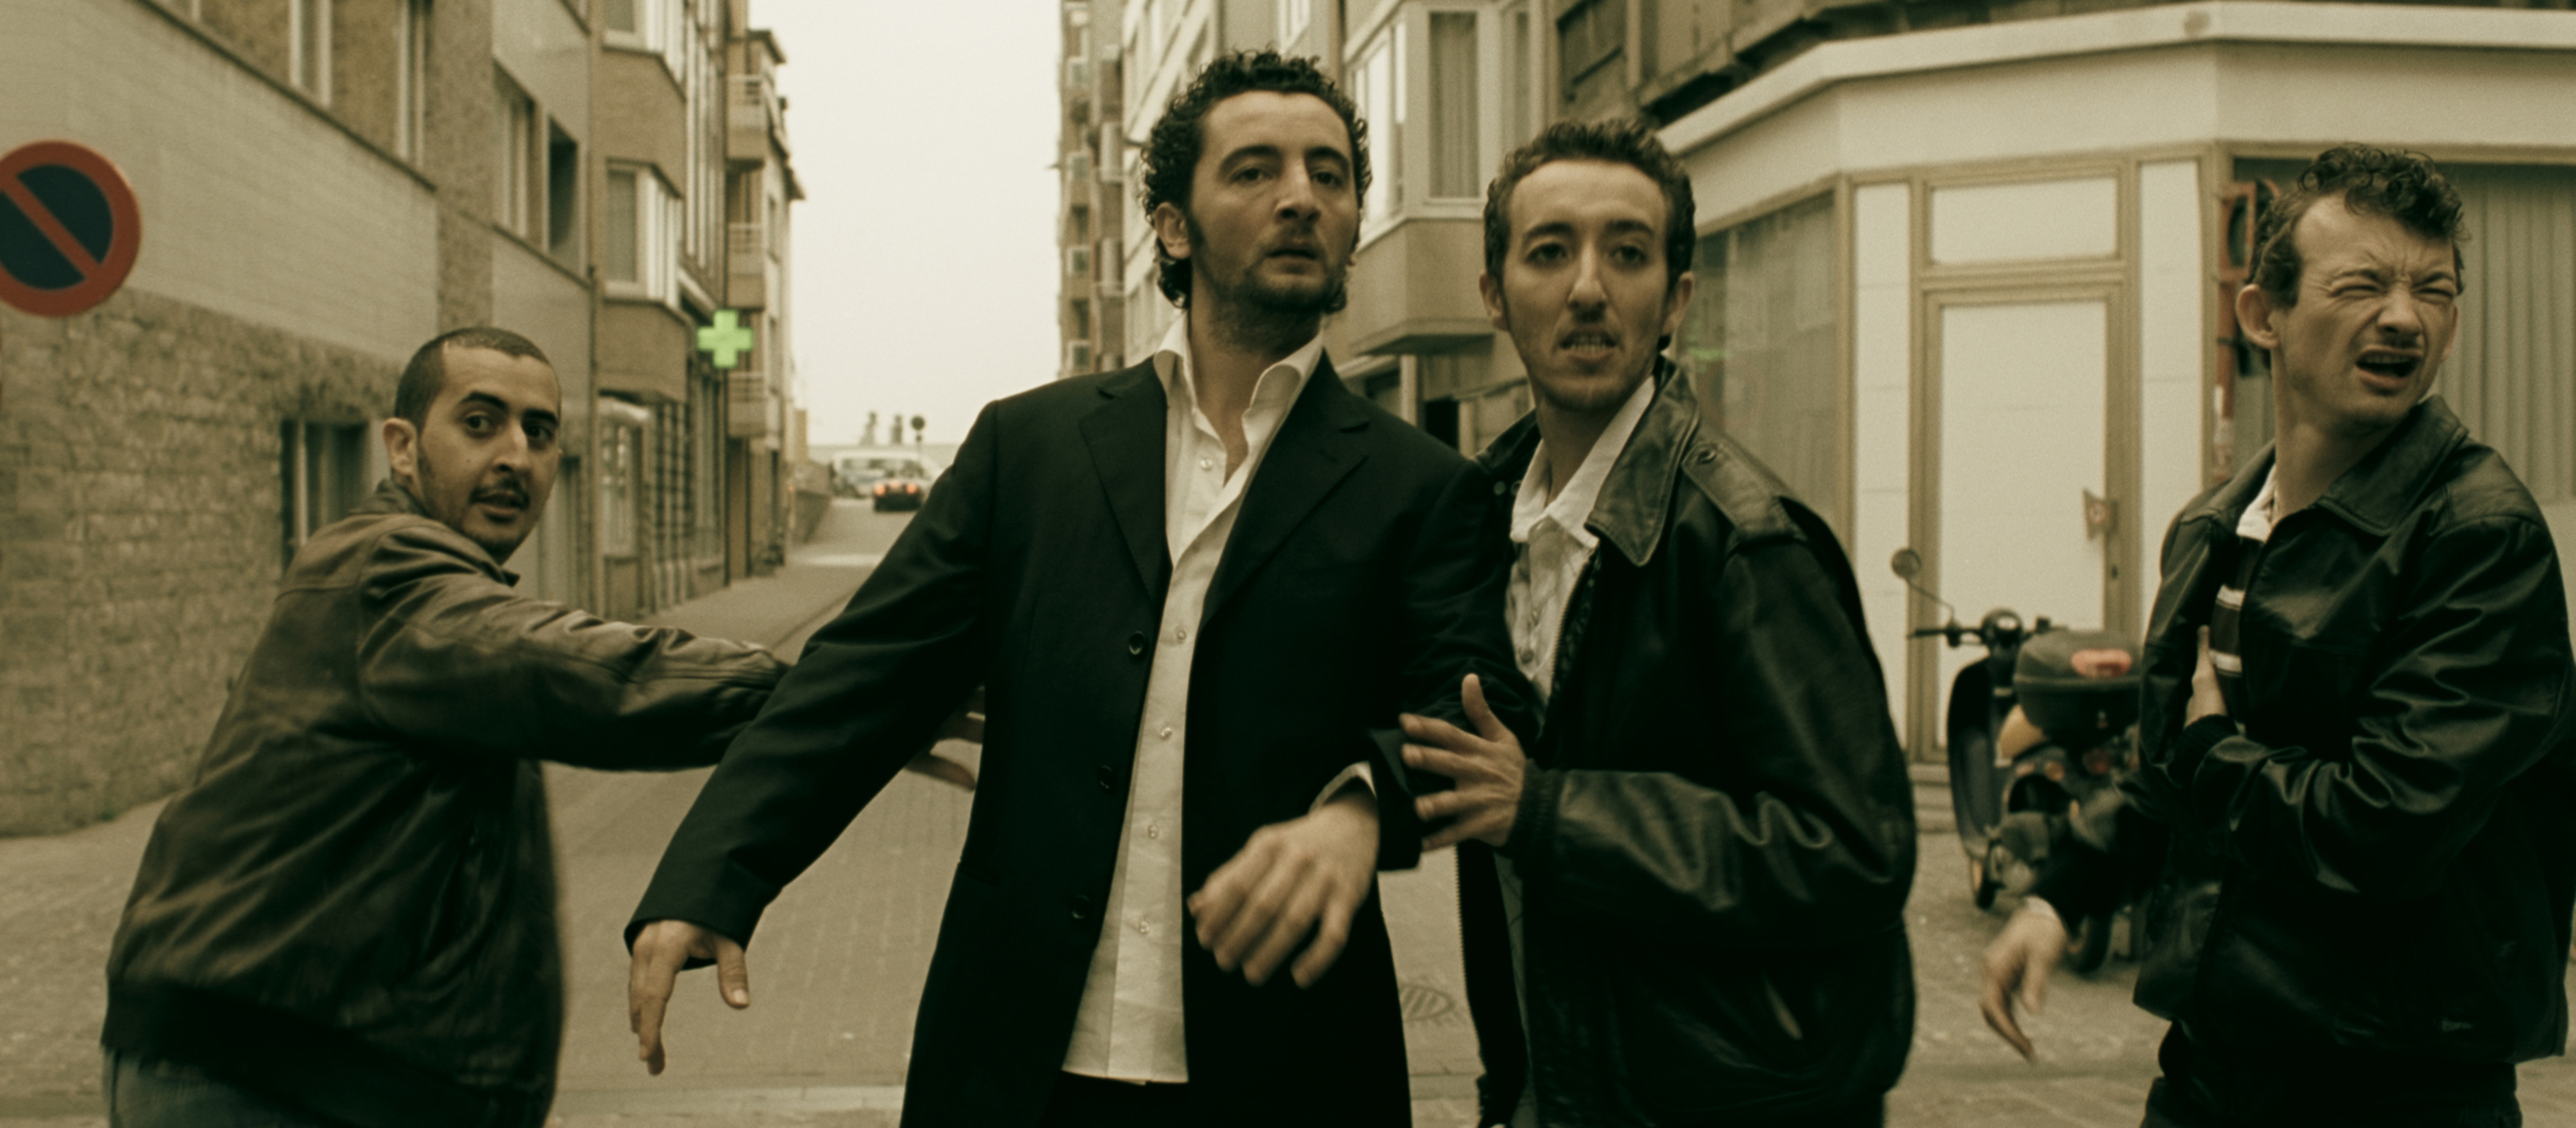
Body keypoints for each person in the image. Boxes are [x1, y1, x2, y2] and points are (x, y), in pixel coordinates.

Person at [622, 51, 1533, 1128]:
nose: (1301, 196)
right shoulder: (1029, 449)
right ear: (1172, 226)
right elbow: (861, 676)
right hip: (1018, 1060)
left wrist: (1360, 809)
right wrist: (712, 875)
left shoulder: (1423, 487)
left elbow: (1475, 710)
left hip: (1287, 1065)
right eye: (1255, 170)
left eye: (1328, 174)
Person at [1979, 145, 2576, 1128]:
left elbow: (2383, 830)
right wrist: (2063, 891)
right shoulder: (2213, 528)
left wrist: (2220, 753)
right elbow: (2167, 767)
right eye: (2362, 284)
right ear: (2264, 315)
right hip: (2214, 1062)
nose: (2404, 316)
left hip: (2401, 1083)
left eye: (2433, 290)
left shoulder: (2477, 537)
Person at [98, 328, 799, 1127]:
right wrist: (824, 701)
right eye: (479, 423)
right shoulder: (389, 570)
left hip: (320, 1069)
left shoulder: (431, 582)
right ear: (402, 447)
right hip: (257, 1075)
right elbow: (590, 676)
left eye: (540, 432)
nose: (515, 456)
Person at [1400, 119, 1918, 1127]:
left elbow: (1854, 851)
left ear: (1676, 298)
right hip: (1556, 1083)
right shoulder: (1480, 522)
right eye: (1550, 251)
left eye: (1627, 253)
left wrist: (1550, 811)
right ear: (1494, 294)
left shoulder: (1745, 541)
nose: (1588, 287)